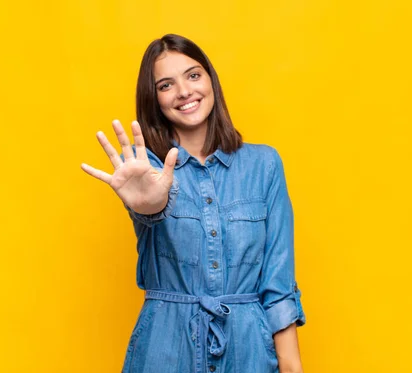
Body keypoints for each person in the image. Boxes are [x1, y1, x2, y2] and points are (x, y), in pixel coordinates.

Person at [81, 34, 306, 373]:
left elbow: (279, 284)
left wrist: (291, 367)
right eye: (166, 85)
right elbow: (149, 208)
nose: (184, 91)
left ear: (210, 80)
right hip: (165, 350)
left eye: (193, 75)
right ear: (154, 100)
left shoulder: (265, 165)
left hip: (249, 353)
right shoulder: (148, 173)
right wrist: (149, 206)